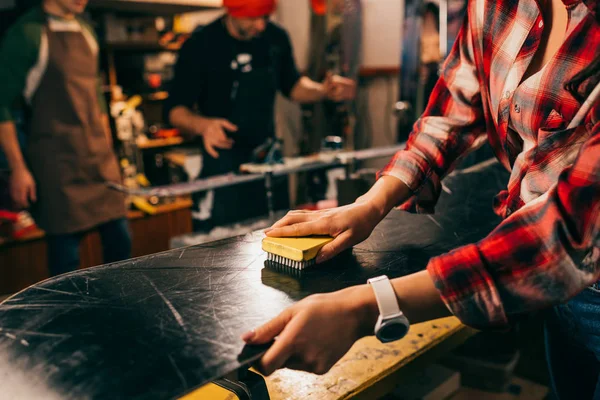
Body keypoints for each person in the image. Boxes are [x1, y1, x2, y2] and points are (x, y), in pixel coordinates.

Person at [242, 0, 600, 398]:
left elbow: (569, 232)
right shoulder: (497, 6)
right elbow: (450, 116)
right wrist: (371, 203)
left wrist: (367, 308)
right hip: (549, 282)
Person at [166, 0, 356, 228]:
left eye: (265, 17)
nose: (261, 25)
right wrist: (203, 126)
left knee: (276, 236)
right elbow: (174, 110)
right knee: (225, 248)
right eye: (252, 18)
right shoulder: (201, 45)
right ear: (233, 11)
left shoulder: (275, 38)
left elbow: (293, 86)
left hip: (267, 160)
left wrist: (323, 90)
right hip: (224, 166)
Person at [0, 0, 131, 276]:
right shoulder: (26, 34)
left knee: (121, 246)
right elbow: (2, 107)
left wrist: (109, 153)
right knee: (66, 262)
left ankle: (121, 313)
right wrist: (18, 168)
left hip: (98, 158)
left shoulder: (86, 29)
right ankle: (68, 317)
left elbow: (95, 98)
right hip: (56, 163)